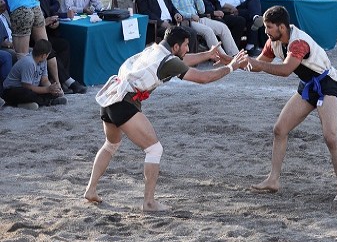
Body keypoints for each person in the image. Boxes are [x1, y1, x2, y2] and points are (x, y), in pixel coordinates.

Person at [84, 27, 246, 210]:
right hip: (123, 102)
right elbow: (203, 77)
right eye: (185, 46)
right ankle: (149, 202)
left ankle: (91, 189)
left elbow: (181, 60)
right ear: (175, 46)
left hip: (109, 99)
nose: (187, 49)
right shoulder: (168, 61)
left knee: (111, 144)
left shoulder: (154, 48)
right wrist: (232, 67)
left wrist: (208, 54)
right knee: (154, 149)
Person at [247, 6, 337, 201]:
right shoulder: (273, 42)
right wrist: (232, 62)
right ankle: (273, 179)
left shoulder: (298, 42)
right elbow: (257, 65)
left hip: (326, 84)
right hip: (308, 84)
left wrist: (257, 64)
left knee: (330, 136)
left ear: (282, 27)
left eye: (269, 27)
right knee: (280, 129)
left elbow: (285, 70)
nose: (266, 31)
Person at [2, 40, 65, 109]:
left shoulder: (43, 61)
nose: (47, 57)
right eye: (48, 55)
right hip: (13, 90)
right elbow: (27, 86)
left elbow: (44, 80)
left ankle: (36, 102)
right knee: (27, 93)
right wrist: (47, 90)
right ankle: (48, 101)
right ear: (44, 55)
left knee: (48, 92)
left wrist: (52, 89)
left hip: (33, 88)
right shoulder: (29, 62)